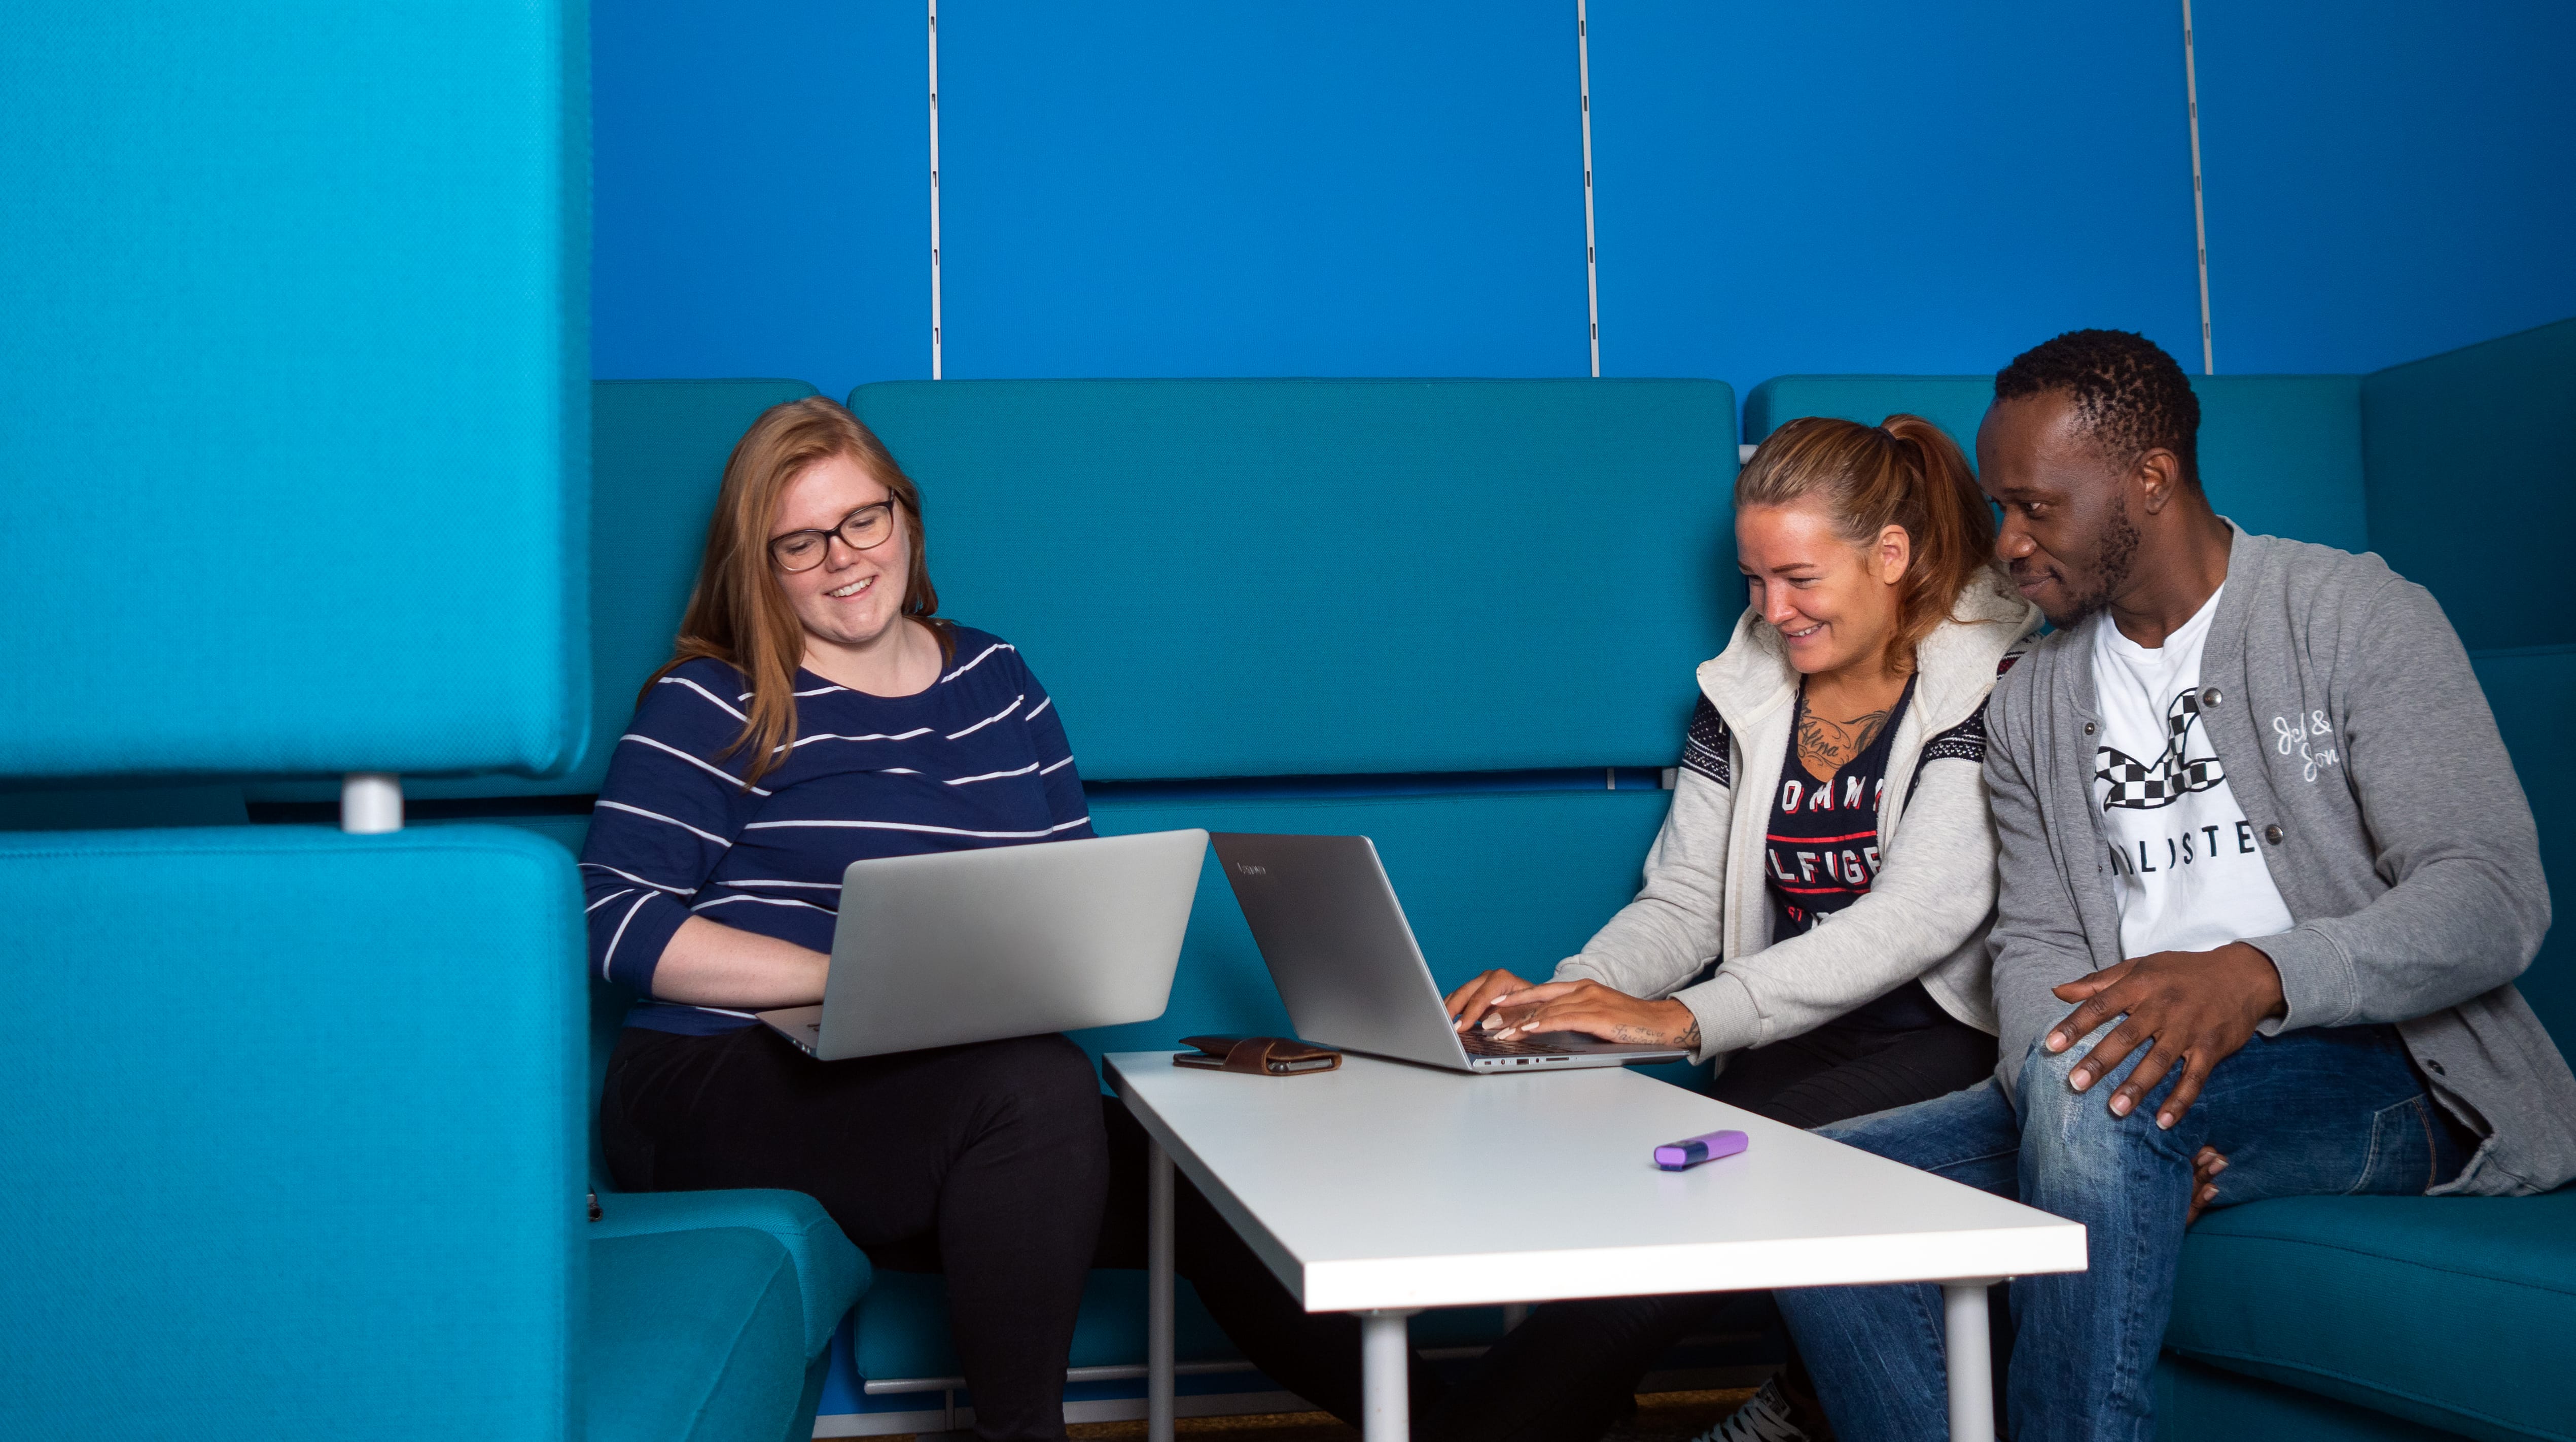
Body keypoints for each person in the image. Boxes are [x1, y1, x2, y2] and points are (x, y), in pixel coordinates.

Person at [1157, 413, 2039, 1442]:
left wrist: (1673, 1020)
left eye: (1798, 579)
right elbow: (1680, 899)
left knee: (1726, 1186)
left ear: (1890, 556)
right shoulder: (1750, 683)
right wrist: (1564, 1002)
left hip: (1942, 1037)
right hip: (1783, 1035)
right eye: (1753, 582)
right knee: (1623, 1182)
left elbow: (1918, 918)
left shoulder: (1992, 677)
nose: (1771, 610)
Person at [1768, 329, 2576, 1442]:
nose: (2004, 545)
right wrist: (2067, 1123)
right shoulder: (2031, 702)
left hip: (2386, 1067)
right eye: (2000, 509)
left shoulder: (2350, 614)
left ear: (2148, 478)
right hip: (2123, 1074)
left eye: (2034, 508)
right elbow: (2038, 949)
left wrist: (2253, 976)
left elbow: (2490, 897)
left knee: (2101, 1103)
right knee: (1835, 1187)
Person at [583, 397, 1106, 1442]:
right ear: (759, 565)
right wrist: (851, 975)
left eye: (862, 521)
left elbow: (1072, 902)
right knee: (1037, 1091)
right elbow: (615, 923)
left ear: (905, 519)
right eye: (799, 542)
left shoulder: (998, 680)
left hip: (945, 1077)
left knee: (1207, 1178)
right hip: (712, 1076)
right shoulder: (714, 698)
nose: (842, 559)